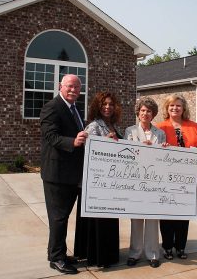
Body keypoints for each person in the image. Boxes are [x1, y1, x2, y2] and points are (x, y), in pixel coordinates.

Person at [40, 74, 88, 275]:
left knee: (63, 217)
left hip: (72, 174)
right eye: (70, 86)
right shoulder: (52, 107)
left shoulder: (75, 108)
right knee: (58, 218)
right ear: (61, 86)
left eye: (77, 87)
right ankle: (56, 258)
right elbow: (50, 136)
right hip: (57, 174)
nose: (73, 90)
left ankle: (58, 252)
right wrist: (72, 142)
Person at [156, 93, 197, 260]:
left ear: (183, 108)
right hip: (166, 176)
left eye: (178, 105)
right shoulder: (160, 127)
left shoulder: (193, 126)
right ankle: (167, 247)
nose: (175, 108)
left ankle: (180, 247)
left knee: (183, 212)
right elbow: (154, 150)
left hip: (187, 177)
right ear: (167, 108)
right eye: (171, 105)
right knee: (166, 213)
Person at [74, 92, 122, 268]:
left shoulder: (115, 126)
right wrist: (104, 142)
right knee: (98, 221)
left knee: (109, 220)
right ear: (97, 106)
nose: (107, 107)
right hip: (95, 184)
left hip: (111, 183)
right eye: (104, 104)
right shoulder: (93, 126)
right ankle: (96, 256)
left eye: (110, 104)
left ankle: (109, 254)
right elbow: (88, 150)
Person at [124, 97, 166, 268]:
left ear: (153, 114)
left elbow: (164, 157)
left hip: (153, 181)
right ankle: (134, 253)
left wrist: (163, 148)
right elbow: (126, 154)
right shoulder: (130, 131)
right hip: (136, 180)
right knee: (136, 219)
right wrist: (142, 147)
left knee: (152, 218)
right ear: (138, 112)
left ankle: (153, 253)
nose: (145, 113)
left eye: (148, 111)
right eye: (142, 110)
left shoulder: (160, 133)